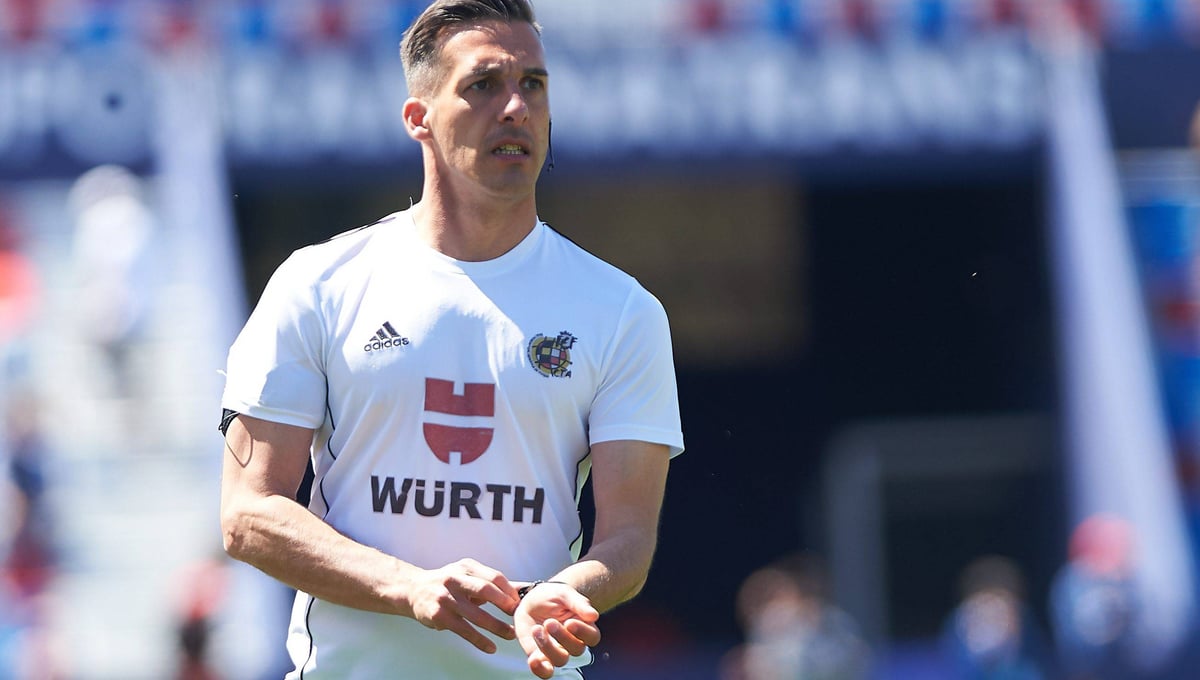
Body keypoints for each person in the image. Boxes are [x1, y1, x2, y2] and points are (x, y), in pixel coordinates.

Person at [217, 1, 685, 678]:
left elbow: (630, 540)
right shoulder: (319, 284)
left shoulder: (622, 311)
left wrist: (564, 591)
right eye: (483, 84)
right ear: (420, 118)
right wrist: (409, 587)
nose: (516, 107)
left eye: (533, 84)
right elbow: (248, 514)